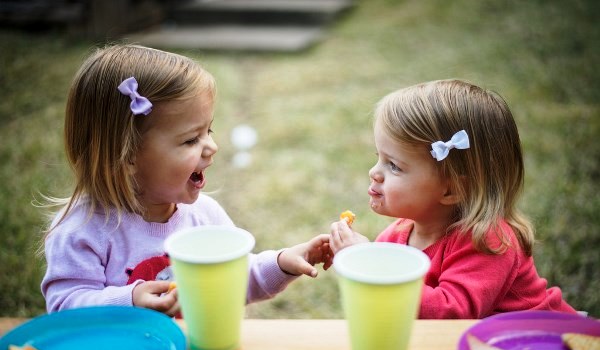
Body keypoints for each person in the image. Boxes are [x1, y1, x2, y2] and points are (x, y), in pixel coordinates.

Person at [41, 44, 332, 317]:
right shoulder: (82, 230)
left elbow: (235, 278)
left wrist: (282, 263)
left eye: (209, 131)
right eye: (191, 139)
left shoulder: (204, 216)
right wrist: (130, 299)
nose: (211, 147)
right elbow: (65, 305)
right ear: (127, 156)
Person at [329, 79, 576, 319]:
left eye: (394, 166)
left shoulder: (488, 241)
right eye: (379, 158)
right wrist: (355, 264)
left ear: (452, 190)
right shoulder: (394, 239)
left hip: (548, 341)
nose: (374, 172)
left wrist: (372, 264)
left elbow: (452, 314)